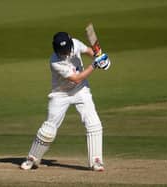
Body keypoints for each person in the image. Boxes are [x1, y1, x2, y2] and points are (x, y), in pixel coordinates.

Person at [20, 32, 111, 171]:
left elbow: (88, 50)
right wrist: (94, 65)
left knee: (93, 123)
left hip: (81, 91)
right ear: (56, 50)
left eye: (68, 49)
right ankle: (32, 158)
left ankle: (96, 161)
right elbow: (76, 78)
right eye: (62, 51)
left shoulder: (74, 43)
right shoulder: (54, 61)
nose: (66, 52)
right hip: (60, 94)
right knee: (48, 129)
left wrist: (100, 57)